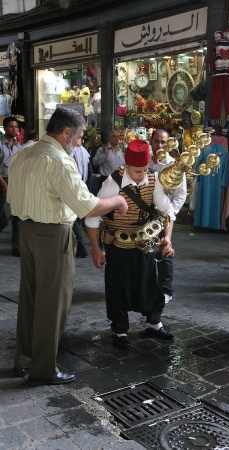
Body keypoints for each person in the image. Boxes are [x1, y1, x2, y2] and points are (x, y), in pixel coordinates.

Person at [6, 107, 127, 386]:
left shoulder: (24, 152)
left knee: (30, 298)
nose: (80, 143)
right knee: (52, 303)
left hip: (26, 230)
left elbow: (12, 196)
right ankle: (44, 369)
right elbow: (88, 207)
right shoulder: (59, 161)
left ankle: (23, 360)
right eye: (79, 137)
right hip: (52, 235)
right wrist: (118, 202)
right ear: (65, 133)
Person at [85, 139, 175, 349]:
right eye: (137, 171)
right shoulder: (112, 184)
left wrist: (167, 237)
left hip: (145, 243)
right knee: (118, 288)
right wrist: (96, 249)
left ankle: (154, 323)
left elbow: (168, 213)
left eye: (145, 170)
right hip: (118, 245)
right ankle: (119, 329)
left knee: (150, 283)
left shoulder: (154, 180)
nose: (142, 175)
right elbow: (91, 218)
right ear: (125, 166)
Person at [149, 129, 186, 303]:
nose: (160, 146)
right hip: (144, 216)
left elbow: (181, 195)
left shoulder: (176, 165)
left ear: (169, 143)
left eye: (163, 142)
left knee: (165, 251)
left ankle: (166, 290)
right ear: (151, 141)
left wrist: (169, 215)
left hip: (165, 217)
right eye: (157, 141)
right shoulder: (145, 161)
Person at [0, 116, 21, 253]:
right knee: (4, 215)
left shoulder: (19, 147)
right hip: (3, 181)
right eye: (11, 126)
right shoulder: (0, 145)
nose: (14, 129)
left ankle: (17, 246)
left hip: (16, 182)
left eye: (16, 127)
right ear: (5, 128)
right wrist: (4, 185)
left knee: (18, 215)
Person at [72, 137, 93, 258]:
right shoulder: (83, 151)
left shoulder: (77, 151)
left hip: (77, 188)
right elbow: (90, 172)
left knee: (75, 219)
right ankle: (79, 246)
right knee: (77, 218)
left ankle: (80, 247)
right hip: (81, 187)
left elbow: (89, 171)